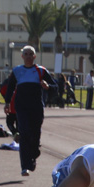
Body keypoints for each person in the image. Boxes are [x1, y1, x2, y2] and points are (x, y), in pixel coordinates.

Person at [4, 46, 56, 176]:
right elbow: (9, 88)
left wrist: (48, 86)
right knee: (24, 133)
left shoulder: (41, 71)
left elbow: (56, 86)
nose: (28, 56)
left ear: (34, 56)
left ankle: (34, 154)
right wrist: (7, 103)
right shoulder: (17, 71)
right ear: (22, 56)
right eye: (25, 54)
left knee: (35, 134)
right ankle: (25, 166)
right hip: (22, 107)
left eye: (30, 54)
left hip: (36, 107)